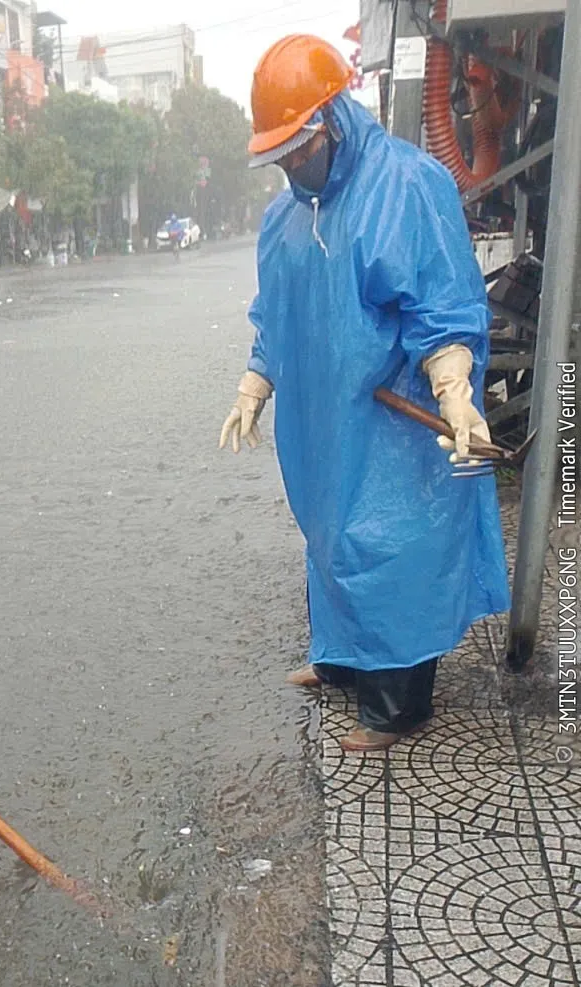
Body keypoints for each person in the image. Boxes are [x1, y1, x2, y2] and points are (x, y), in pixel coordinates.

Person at [218, 35, 510, 752]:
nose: (290, 162)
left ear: (334, 119)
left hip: (391, 425)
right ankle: (344, 659)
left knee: (388, 544)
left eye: (298, 146)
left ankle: (398, 705)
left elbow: (441, 300)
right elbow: (276, 311)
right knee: (329, 536)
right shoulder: (283, 217)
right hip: (323, 425)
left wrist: (453, 387)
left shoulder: (407, 184)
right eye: (279, 152)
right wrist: (256, 381)